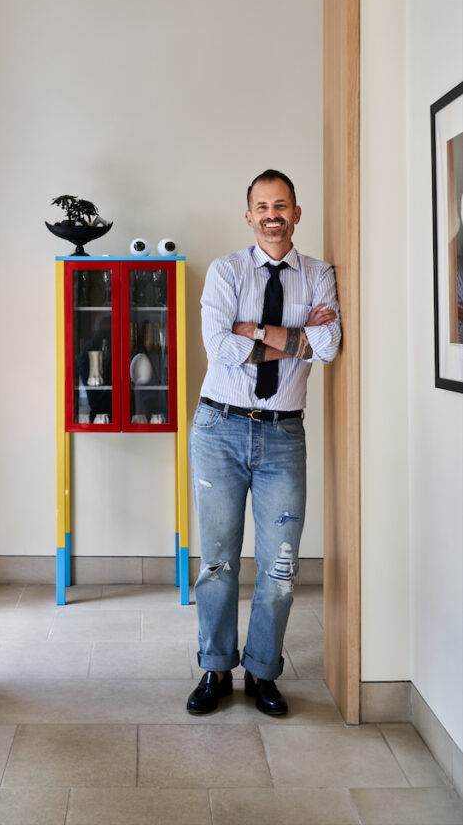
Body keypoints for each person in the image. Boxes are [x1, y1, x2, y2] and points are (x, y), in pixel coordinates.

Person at [186, 169, 341, 717]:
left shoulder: (320, 274)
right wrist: (297, 340)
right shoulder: (226, 271)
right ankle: (215, 668)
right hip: (219, 429)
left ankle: (262, 671)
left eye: (282, 206)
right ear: (249, 216)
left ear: (296, 213)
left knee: (280, 567)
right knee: (218, 563)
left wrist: (251, 329)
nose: (272, 216)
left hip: (282, 435)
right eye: (262, 207)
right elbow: (220, 349)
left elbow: (328, 344)